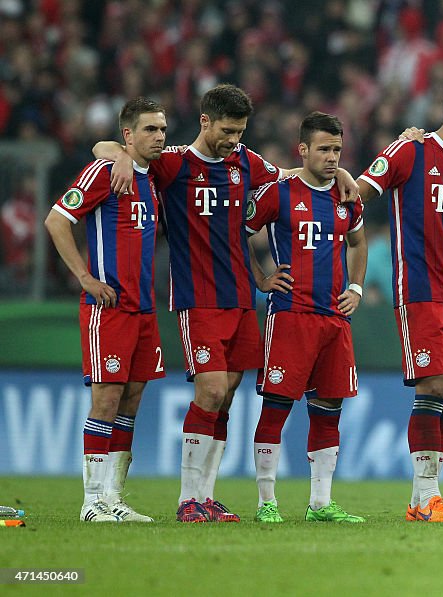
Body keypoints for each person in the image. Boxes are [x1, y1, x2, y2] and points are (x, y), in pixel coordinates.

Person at [94, 84, 359, 523]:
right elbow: (108, 146)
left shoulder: (246, 162)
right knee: (211, 389)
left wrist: (340, 174)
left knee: (228, 397)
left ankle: (206, 496)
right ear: (205, 121)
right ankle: (186, 499)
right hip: (197, 297)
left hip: (240, 298)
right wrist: (120, 154)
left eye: (240, 132)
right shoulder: (175, 162)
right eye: (227, 131)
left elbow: (295, 176)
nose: (234, 140)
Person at [356, 80, 443, 522]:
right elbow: (357, 193)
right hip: (419, 290)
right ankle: (427, 494)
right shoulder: (409, 152)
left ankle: (422, 501)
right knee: (433, 385)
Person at [45, 97, 168, 523]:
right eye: (150, 129)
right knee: (106, 399)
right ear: (128, 134)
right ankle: (91, 501)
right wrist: (85, 278)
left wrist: (116, 151)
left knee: (131, 401)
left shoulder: (154, 177)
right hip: (109, 307)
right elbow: (57, 220)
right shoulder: (104, 172)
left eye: (163, 129)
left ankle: (114, 498)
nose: (159, 137)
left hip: (144, 308)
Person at [245, 112, 368, 524]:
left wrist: (355, 288)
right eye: (324, 149)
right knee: (277, 407)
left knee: (329, 408)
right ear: (303, 150)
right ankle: (266, 502)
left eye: (337, 149)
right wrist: (261, 278)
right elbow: (239, 233)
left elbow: (358, 241)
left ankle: (321, 503)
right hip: (290, 315)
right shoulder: (278, 193)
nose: (332, 157)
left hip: (334, 318)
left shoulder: (347, 196)